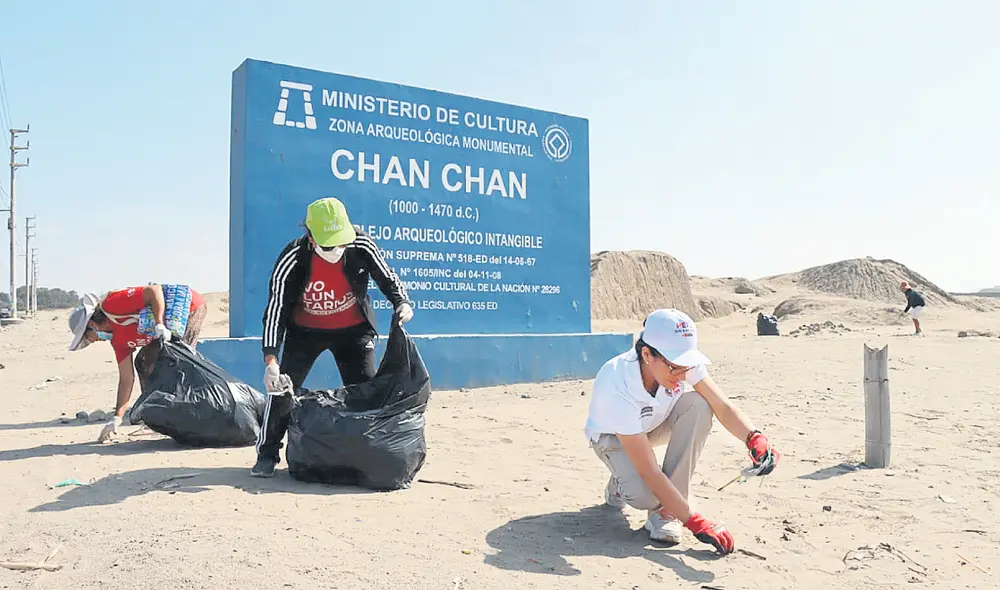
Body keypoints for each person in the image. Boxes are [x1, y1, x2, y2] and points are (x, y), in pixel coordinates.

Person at [583, 308, 781, 555]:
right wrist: (694, 521)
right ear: (647, 354)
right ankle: (621, 482)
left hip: (651, 426)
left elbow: (721, 405)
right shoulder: (617, 382)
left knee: (699, 405)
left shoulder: (681, 364)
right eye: (675, 368)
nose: (682, 375)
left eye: (687, 367)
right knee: (646, 496)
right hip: (613, 438)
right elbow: (649, 471)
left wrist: (754, 437)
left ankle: (665, 512)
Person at [251, 196, 414, 477]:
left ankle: (367, 453)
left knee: (365, 393)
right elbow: (275, 310)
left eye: (342, 241)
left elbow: (386, 276)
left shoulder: (361, 244)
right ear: (311, 239)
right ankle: (267, 453)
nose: (337, 249)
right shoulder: (292, 258)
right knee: (282, 392)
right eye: (329, 244)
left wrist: (402, 301)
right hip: (305, 332)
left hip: (353, 332)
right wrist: (271, 361)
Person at [67, 284, 208, 442]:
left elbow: (154, 290)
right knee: (143, 363)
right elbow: (126, 380)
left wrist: (159, 323)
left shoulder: (112, 304)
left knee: (177, 364)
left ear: (92, 325)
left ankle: (188, 416)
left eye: (88, 338)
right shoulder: (118, 342)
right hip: (164, 330)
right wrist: (117, 418)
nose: (92, 341)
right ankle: (156, 418)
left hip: (189, 308)